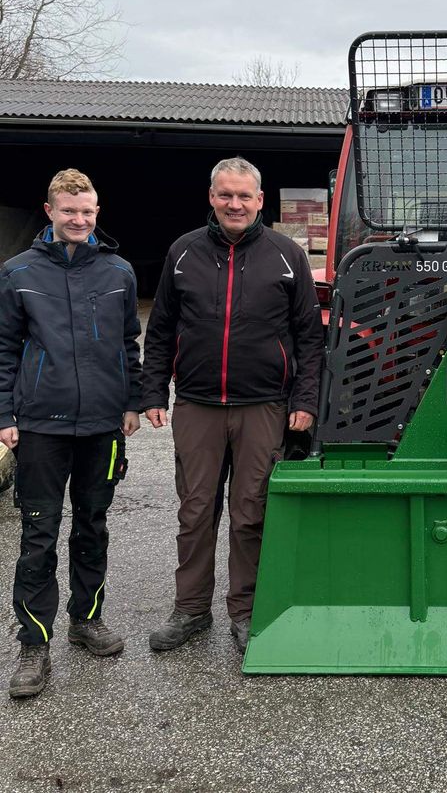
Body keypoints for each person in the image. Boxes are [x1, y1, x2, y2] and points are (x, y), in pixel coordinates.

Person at [142, 156, 323, 654]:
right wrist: (153, 391)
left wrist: (304, 400)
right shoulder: (183, 253)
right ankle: (191, 610)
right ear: (211, 197)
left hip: (264, 406)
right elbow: (159, 331)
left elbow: (310, 337)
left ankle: (245, 611)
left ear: (260, 201)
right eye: (226, 194)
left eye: (244, 196)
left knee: (251, 513)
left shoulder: (288, 255)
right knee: (196, 511)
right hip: (197, 404)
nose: (235, 204)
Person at [0, 169, 142, 699]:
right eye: (68, 211)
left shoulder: (119, 272)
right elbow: (4, 350)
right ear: (50, 211)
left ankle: (87, 620)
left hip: (104, 425)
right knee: (38, 534)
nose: (78, 219)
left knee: (92, 526)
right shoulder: (18, 273)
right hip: (40, 425)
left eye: (87, 211)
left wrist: (131, 403)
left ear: (97, 212)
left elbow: (130, 343)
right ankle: (34, 644)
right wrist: (4, 415)